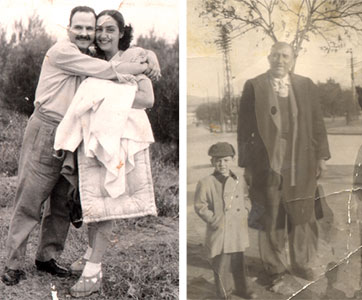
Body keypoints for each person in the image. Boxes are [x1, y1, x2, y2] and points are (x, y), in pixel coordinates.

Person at [1, 5, 160, 286]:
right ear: (69, 28)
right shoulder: (64, 52)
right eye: (82, 27)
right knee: (30, 199)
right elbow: (110, 69)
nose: (88, 33)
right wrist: (149, 63)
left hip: (74, 132)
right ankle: (13, 263)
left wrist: (149, 53)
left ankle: (47, 257)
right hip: (48, 128)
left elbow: (121, 56)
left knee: (62, 202)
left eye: (92, 28)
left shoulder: (88, 54)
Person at [53, 10, 158, 297]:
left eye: (110, 29)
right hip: (92, 137)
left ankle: (94, 270)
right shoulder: (94, 60)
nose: (103, 35)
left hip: (122, 139)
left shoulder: (134, 58)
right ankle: (90, 254)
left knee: (108, 203)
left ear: (122, 33)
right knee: (93, 200)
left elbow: (147, 98)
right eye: (99, 29)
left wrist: (106, 97)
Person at [237, 42, 331, 288]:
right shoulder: (254, 86)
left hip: (302, 161)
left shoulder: (305, 85)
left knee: (302, 215)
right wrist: (246, 165)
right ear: (269, 57)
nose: (280, 60)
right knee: (272, 213)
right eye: (275, 55)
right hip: (267, 163)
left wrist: (321, 156)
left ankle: (302, 263)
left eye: (285, 56)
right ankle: (275, 268)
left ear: (293, 59)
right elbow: (244, 130)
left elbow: (318, 122)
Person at [194, 142, 256, 299]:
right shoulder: (206, 182)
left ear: (233, 160)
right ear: (212, 162)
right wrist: (214, 220)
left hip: (237, 228)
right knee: (221, 264)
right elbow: (200, 206)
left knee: (239, 263)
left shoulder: (239, 180)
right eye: (218, 160)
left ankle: (243, 289)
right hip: (220, 230)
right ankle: (224, 293)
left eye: (226, 160)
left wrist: (246, 211)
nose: (222, 164)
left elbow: (246, 198)